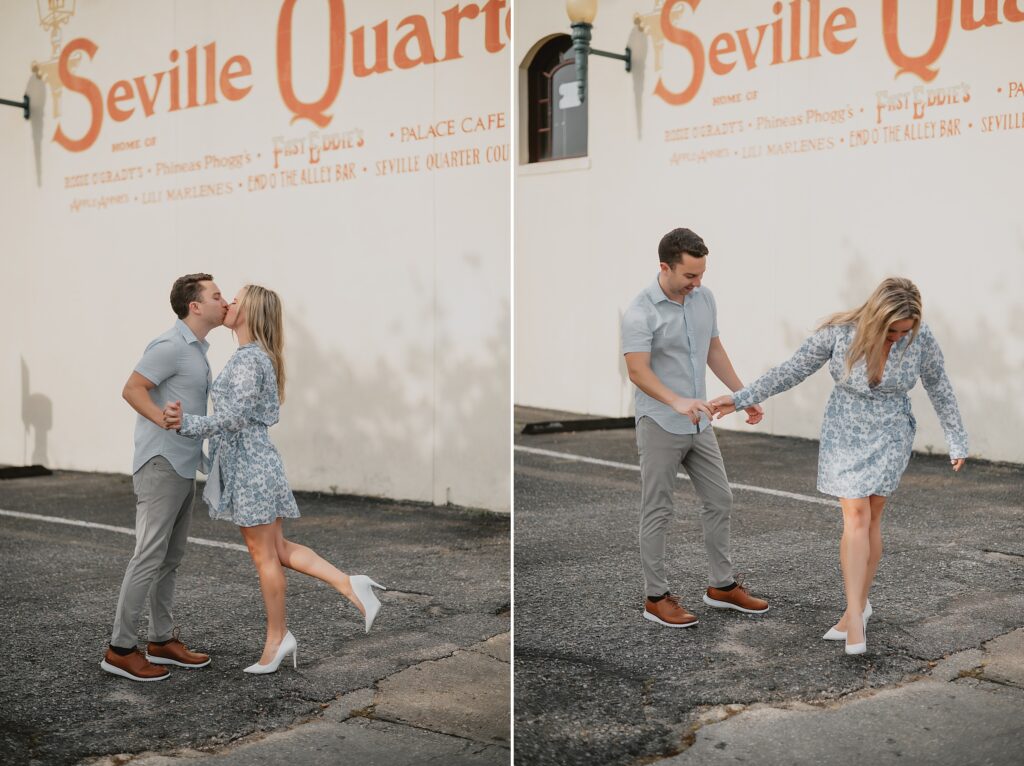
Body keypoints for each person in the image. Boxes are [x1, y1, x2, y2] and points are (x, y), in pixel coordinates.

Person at [710, 277, 967, 655]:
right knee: (855, 517)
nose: (898, 337)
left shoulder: (921, 337)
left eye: (905, 330)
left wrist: (956, 437)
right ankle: (855, 617)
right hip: (845, 432)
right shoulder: (839, 334)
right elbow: (791, 370)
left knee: (872, 517)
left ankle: (855, 610)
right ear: (876, 317)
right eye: (892, 330)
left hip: (891, 433)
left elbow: (938, 384)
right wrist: (740, 398)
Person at [163, 284, 385, 674]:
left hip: (251, 466)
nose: (229, 303)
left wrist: (186, 425)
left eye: (236, 299)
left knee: (265, 558)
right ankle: (350, 584)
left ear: (251, 312)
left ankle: (278, 639)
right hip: (252, 463)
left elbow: (234, 419)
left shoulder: (250, 360)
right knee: (278, 550)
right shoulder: (251, 356)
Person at [621, 228, 770, 629]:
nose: (697, 283)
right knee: (658, 509)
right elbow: (637, 369)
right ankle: (656, 597)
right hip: (660, 422)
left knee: (720, 499)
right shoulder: (639, 311)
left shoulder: (705, 299)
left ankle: (721, 587)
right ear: (664, 268)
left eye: (701, 274)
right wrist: (675, 400)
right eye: (689, 276)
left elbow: (713, 349)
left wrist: (743, 394)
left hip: (700, 423)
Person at [101, 273, 227, 682]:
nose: (223, 301)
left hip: (183, 464)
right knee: (148, 555)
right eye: (216, 295)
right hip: (160, 463)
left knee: (169, 559)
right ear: (195, 306)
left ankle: (160, 640)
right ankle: (121, 649)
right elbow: (132, 388)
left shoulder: (196, 349)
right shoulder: (169, 345)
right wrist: (163, 420)